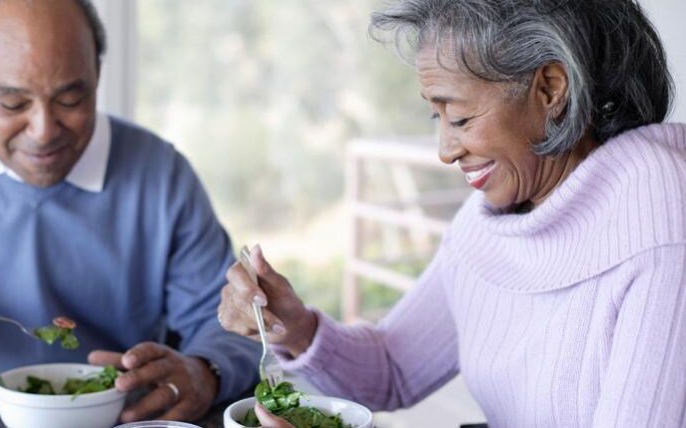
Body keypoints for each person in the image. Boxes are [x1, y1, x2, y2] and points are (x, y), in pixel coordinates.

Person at [219, 0, 686, 427]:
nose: (445, 150)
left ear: (550, 88)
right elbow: (395, 369)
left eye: (460, 118)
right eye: (435, 118)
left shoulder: (662, 222)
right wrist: (295, 327)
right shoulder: (497, 215)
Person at [0, 0, 259, 423]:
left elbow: (232, 322)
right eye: (13, 104)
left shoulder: (159, 173)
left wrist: (206, 372)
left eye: (71, 99)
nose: (43, 131)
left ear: (97, 76)